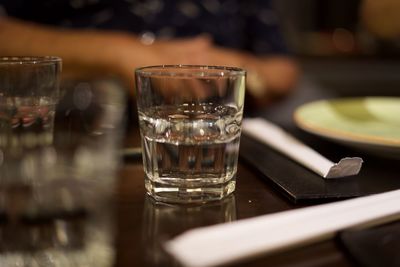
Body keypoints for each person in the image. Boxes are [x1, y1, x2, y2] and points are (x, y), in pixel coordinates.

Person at [0, 0, 299, 107]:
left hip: (221, 138)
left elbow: (283, 69)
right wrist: (119, 55)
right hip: (61, 125)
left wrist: (240, 69)